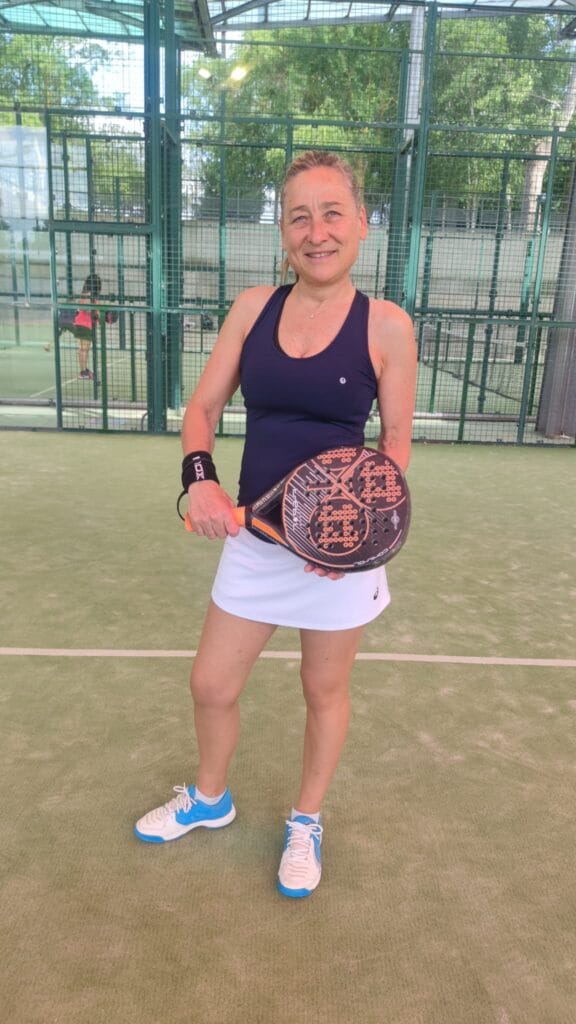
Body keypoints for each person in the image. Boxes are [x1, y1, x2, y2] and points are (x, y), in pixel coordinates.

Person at [134, 151, 417, 899]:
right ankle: (211, 797)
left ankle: (306, 819)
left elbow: (394, 446)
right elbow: (202, 409)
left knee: (323, 690)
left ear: (362, 223)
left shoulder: (387, 327)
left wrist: (355, 540)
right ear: (283, 232)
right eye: (299, 217)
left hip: (337, 556)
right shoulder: (253, 308)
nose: (317, 232)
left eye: (332, 214)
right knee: (210, 684)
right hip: (257, 547)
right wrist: (200, 481)